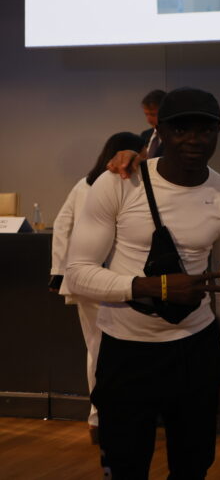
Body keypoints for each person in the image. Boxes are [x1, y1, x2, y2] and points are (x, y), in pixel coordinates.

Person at [66, 87, 220, 478]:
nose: (194, 140)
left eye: (205, 130)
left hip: (196, 352)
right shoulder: (119, 183)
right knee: (126, 464)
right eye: (182, 129)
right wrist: (154, 288)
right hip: (127, 351)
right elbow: (78, 271)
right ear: (160, 130)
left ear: (218, 132)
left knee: (194, 465)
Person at [49, 131, 146, 448]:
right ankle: (116, 417)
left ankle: (97, 417)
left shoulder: (84, 184)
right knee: (119, 352)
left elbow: (62, 225)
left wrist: (58, 272)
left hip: (84, 281)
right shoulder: (127, 184)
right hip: (116, 281)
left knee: (95, 349)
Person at [139, 89, 166, 159]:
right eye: (146, 114)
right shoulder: (144, 135)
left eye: (153, 115)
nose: (148, 120)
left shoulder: (174, 138)